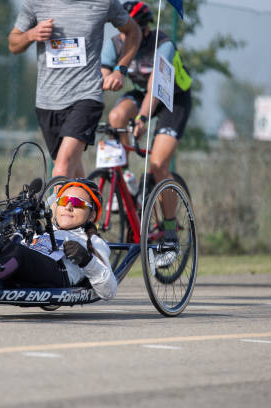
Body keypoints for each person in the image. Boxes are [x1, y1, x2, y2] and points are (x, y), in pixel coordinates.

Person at [101, 1, 192, 267]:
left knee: (158, 163)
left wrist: (142, 118)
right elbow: (104, 73)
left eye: (129, 28)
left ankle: (171, 232)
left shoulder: (163, 44)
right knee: (115, 118)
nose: (122, 33)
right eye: (120, 28)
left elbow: (156, 85)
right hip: (143, 93)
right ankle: (127, 179)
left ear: (145, 28)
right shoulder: (115, 42)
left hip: (173, 99)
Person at [8, 1, 142, 179]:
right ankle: (91, 207)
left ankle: (59, 207)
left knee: (62, 170)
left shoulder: (104, 2)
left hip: (87, 96)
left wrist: (120, 70)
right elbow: (13, 43)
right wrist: (31, 35)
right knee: (73, 177)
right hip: (48, 100)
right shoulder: (36, 3)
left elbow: (133, 32)